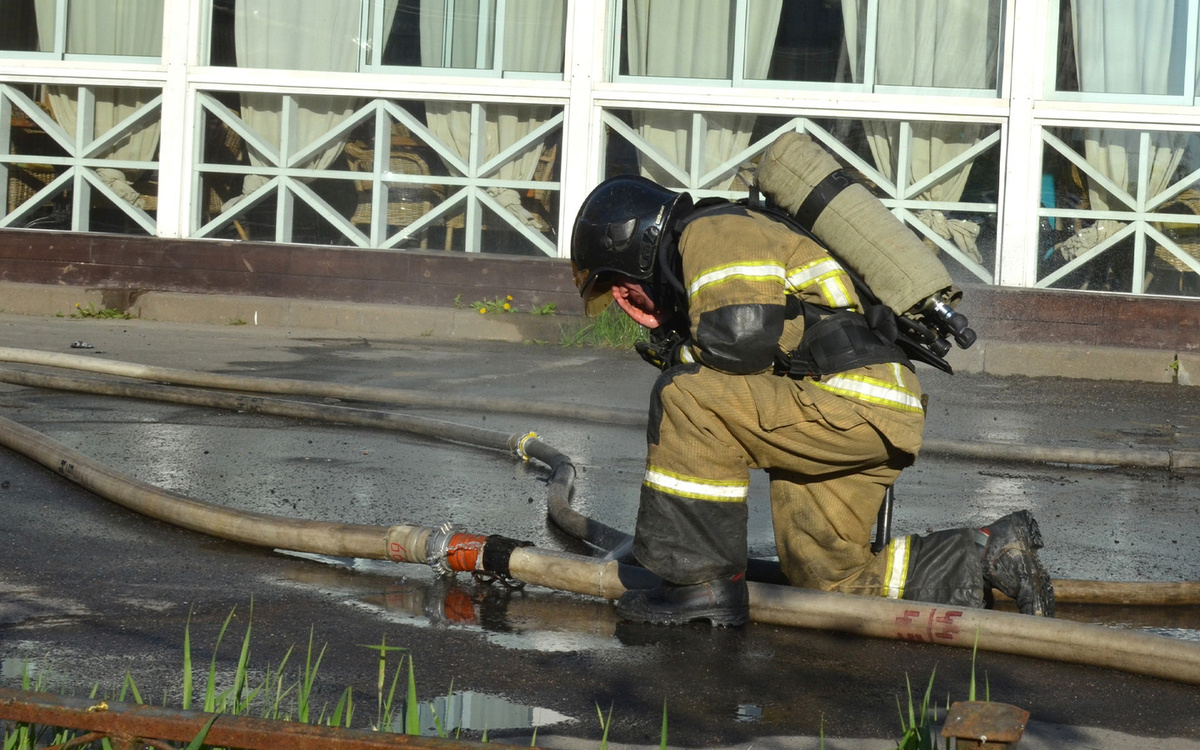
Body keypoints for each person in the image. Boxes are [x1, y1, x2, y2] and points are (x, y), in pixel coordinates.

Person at [569, 174, 1055, 627]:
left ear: (635, 241)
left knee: (687, 396)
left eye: (618, 283)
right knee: (825, 581)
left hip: (848, 401)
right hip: (858, 406)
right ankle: (986, 552)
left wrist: (679, 355)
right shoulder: (718, 242)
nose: (623, 299)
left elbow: (740, 342)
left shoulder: (714, 229)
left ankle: (701, 585)